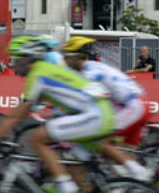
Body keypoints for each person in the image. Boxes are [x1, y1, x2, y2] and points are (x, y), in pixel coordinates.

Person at [0, 36, 116, 193]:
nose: (13, 64)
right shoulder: (45, 69)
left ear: (27, 59)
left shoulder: (37, 75)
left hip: (95, 115)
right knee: (73, 164)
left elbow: (14, 117)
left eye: (16, 59)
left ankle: (66, 190)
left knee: (37, 138)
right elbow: (26, 109)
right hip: (102, 112)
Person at [61, 36, 153, 180]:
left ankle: (137, 174)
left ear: (76, 57)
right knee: (125, 151)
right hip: (139, 103)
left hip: (134, 107)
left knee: (99, 139)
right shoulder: (92, 65)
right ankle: (133, 185)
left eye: (67, 56)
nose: (65, 60)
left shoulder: (89, 74)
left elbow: (85, 101)